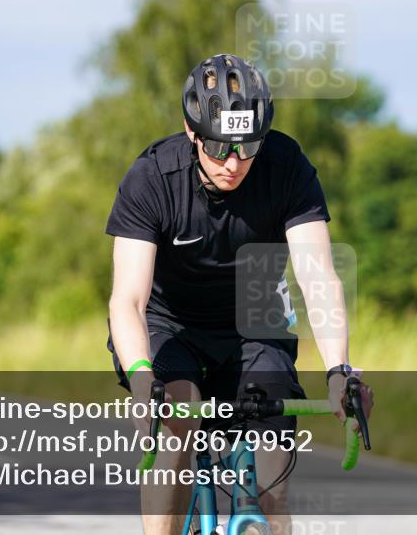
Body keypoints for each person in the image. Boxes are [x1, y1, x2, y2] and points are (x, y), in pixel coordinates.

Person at [106, 53, 373, 535]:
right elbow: (127, 299)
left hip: (255, 319)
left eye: (248, 147)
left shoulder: (287, 167)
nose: (233, 163)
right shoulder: (152, 177)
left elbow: (317, 276)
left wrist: (339, 370)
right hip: (170, 323)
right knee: (178, 426)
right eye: (218, 147)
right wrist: (143, 379)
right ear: (192, 133)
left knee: (273, 482)